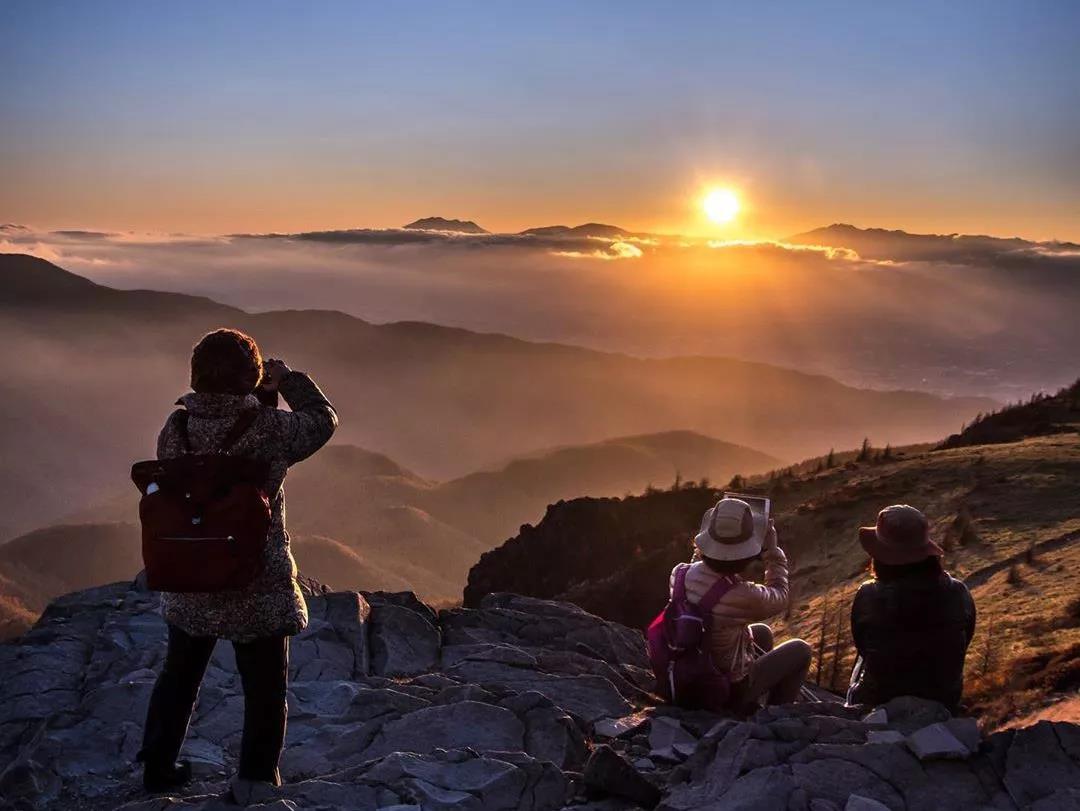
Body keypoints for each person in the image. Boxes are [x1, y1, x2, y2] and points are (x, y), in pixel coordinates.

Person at [138, 328, 337, 792]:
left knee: (179, 677)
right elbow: (321, 421)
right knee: (265, 688)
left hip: (191, 576)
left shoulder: (176, 429)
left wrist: (258, 399)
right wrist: (287, 381)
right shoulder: (270, 429)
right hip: (255, 581)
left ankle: (157, 770)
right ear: (253, 376)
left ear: (196, 376)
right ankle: (255, 783)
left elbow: (216, 466)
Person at [672, 497, 811, 711]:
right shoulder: (743, 595)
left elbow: (699, 569)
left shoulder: (679, 574)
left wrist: (706, 548)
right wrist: (773, 551)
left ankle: (752, 704)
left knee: (762, 632)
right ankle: (774, 715)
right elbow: (780, 595)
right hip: (724, 688)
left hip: (687, 672)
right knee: (800, 650)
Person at [846, 505, 976, 714]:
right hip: (943, 701)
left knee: (864, 658)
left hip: (878, 701)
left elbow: (861, 644)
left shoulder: (868, 595)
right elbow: (966, 639)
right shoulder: (959, 592)